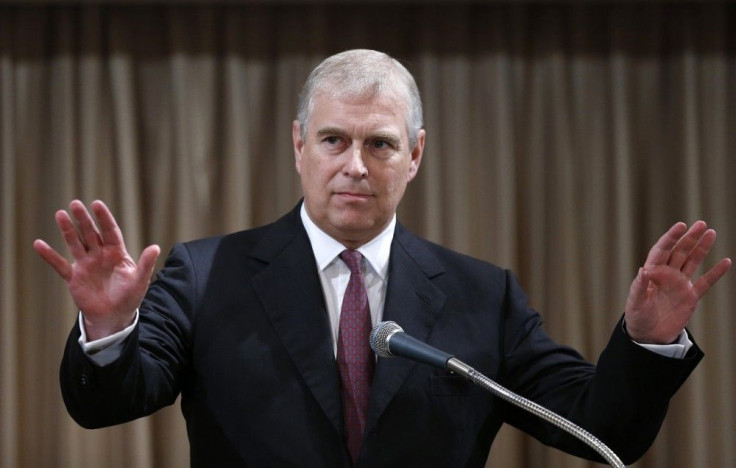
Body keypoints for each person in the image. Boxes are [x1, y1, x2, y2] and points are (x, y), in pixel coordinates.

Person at [33, 49, 731, 467]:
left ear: (416, 154)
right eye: (335, 141)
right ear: (298, 145)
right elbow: (109, 405)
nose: (356, 167)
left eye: (381, 144)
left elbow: (599, 428)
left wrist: (648, 340)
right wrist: (108, 330)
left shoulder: (482, 296)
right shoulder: (205, 273)